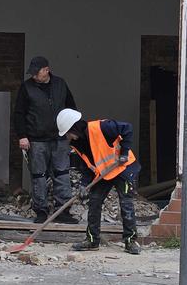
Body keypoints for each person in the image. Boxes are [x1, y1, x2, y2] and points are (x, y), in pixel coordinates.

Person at [56, 108, 141, 255]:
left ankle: (131, 241)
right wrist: (84, 185)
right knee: (94, 202)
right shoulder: (78, 144)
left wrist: (124, 153)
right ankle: (92, 240)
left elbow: (127, 128)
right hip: (104, 173)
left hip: (123, 168)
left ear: (74, 127)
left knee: (126, 203)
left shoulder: (102, 127)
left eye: (68, 133)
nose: (68, 137)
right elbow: (87, 166)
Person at [13, 56, 79, 224]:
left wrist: (72, 131)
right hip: (36, 139)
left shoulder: (60, 84)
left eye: (37, 73)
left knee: (62, 174)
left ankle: (63, 211)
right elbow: (19, 113)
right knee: (38, 176)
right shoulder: (26, 87)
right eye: (33, 73)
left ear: (46, 70)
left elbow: (71, 108)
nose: (34, 76)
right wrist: (22, 135)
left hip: (59, 138)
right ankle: (41, 211)